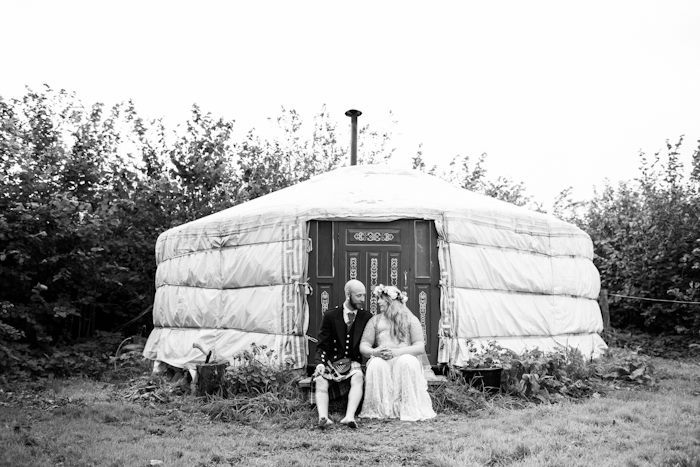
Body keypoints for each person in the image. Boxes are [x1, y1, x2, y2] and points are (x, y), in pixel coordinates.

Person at [358, 284, 436, 421]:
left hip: (403, 358)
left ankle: (406, 408)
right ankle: (382, 410)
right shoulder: (375, 321)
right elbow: (364, 346)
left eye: (381, 298)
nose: (378, 302)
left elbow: (419, 347)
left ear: (390, 300)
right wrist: (375, 352)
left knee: (406, 361)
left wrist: (396, 352)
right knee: (376, 364)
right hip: (382, 359)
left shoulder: (411, 319)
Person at [313, 279, 372, 429]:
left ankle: (349, 416)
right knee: (320, 380)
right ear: (348, 294)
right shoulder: (330, 315)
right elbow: (322, 344)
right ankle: (323, 417)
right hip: (332, 362)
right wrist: (320, 363)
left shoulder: (366, 317)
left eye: (364, 296)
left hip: (352, 362)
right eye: (359, 296)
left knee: (358, 376)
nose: (363, 300)